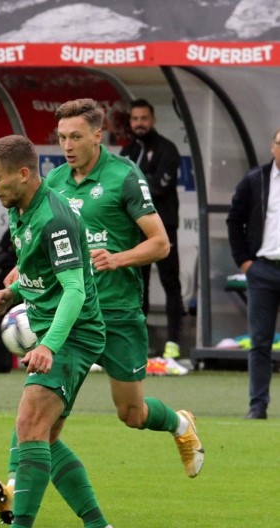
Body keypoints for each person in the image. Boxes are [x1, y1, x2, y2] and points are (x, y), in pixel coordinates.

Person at [0, 99, 204, 528]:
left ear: (97, 135)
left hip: (118, 312)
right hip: (74, 320)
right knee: (39, 414)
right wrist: (14, 285)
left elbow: (160, 245)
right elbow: (41, 251)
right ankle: (18, 489)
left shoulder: (124, 176)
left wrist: (117, 259)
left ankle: (180, 422)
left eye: (76, 137)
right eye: (61, 138)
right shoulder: (54, 183)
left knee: (132, 414)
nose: (67, 146)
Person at [0, 134, 115, 528]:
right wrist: (12, 290)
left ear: (23, 173)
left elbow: (74, 289)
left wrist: (50, 345)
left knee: (28, 425)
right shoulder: (21, 209)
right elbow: (43, 273)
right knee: (46, 437)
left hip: (72, 332)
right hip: (48, 324)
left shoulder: (56, 218)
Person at [120, 98, 184, 360]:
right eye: (135, 119)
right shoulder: (126, 152)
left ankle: (173, 343)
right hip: (136, 232)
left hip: (164, 229)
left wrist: (136, 188)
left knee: (171, 283)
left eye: (143, 118)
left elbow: (158, 188)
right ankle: (139, 343)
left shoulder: (167, 149)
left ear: (153, 119)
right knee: (139, 286)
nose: (139, 124)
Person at [226, 128, 280, 420]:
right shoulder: (255, 180)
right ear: (272, 147)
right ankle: (257, 405)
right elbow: (234, 220)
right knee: (260, 341)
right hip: (263, 270)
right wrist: (244, 262)